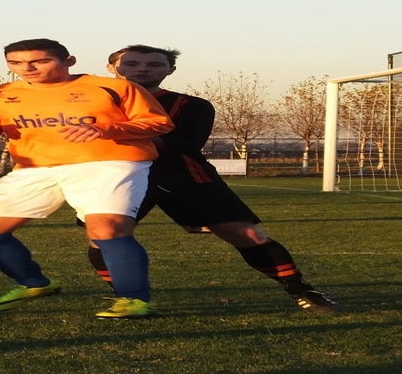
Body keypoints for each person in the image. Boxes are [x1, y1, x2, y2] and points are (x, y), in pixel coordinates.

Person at [82, 44, 340, 313]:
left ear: (171, 70)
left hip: (185, 176)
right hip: (115, 176)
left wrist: (110, 132)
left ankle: (301, 289)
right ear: (111, 67)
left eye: (154, 64)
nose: (142, 69)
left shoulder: (193, 105)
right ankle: (130, 298)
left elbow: (184, 144)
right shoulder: (87, 103)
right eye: (132, 63)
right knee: (102, 238)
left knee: (247, 234)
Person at [0, 38, 174, 318]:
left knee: (106, 230)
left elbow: (159, 122)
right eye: (15, 63)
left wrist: (105, 129)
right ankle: (34, 283)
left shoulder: (115, 87)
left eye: (39, 61)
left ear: (69, 61)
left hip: (109, 162)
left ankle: (135, 300)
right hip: (35, 167)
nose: (26, 68)